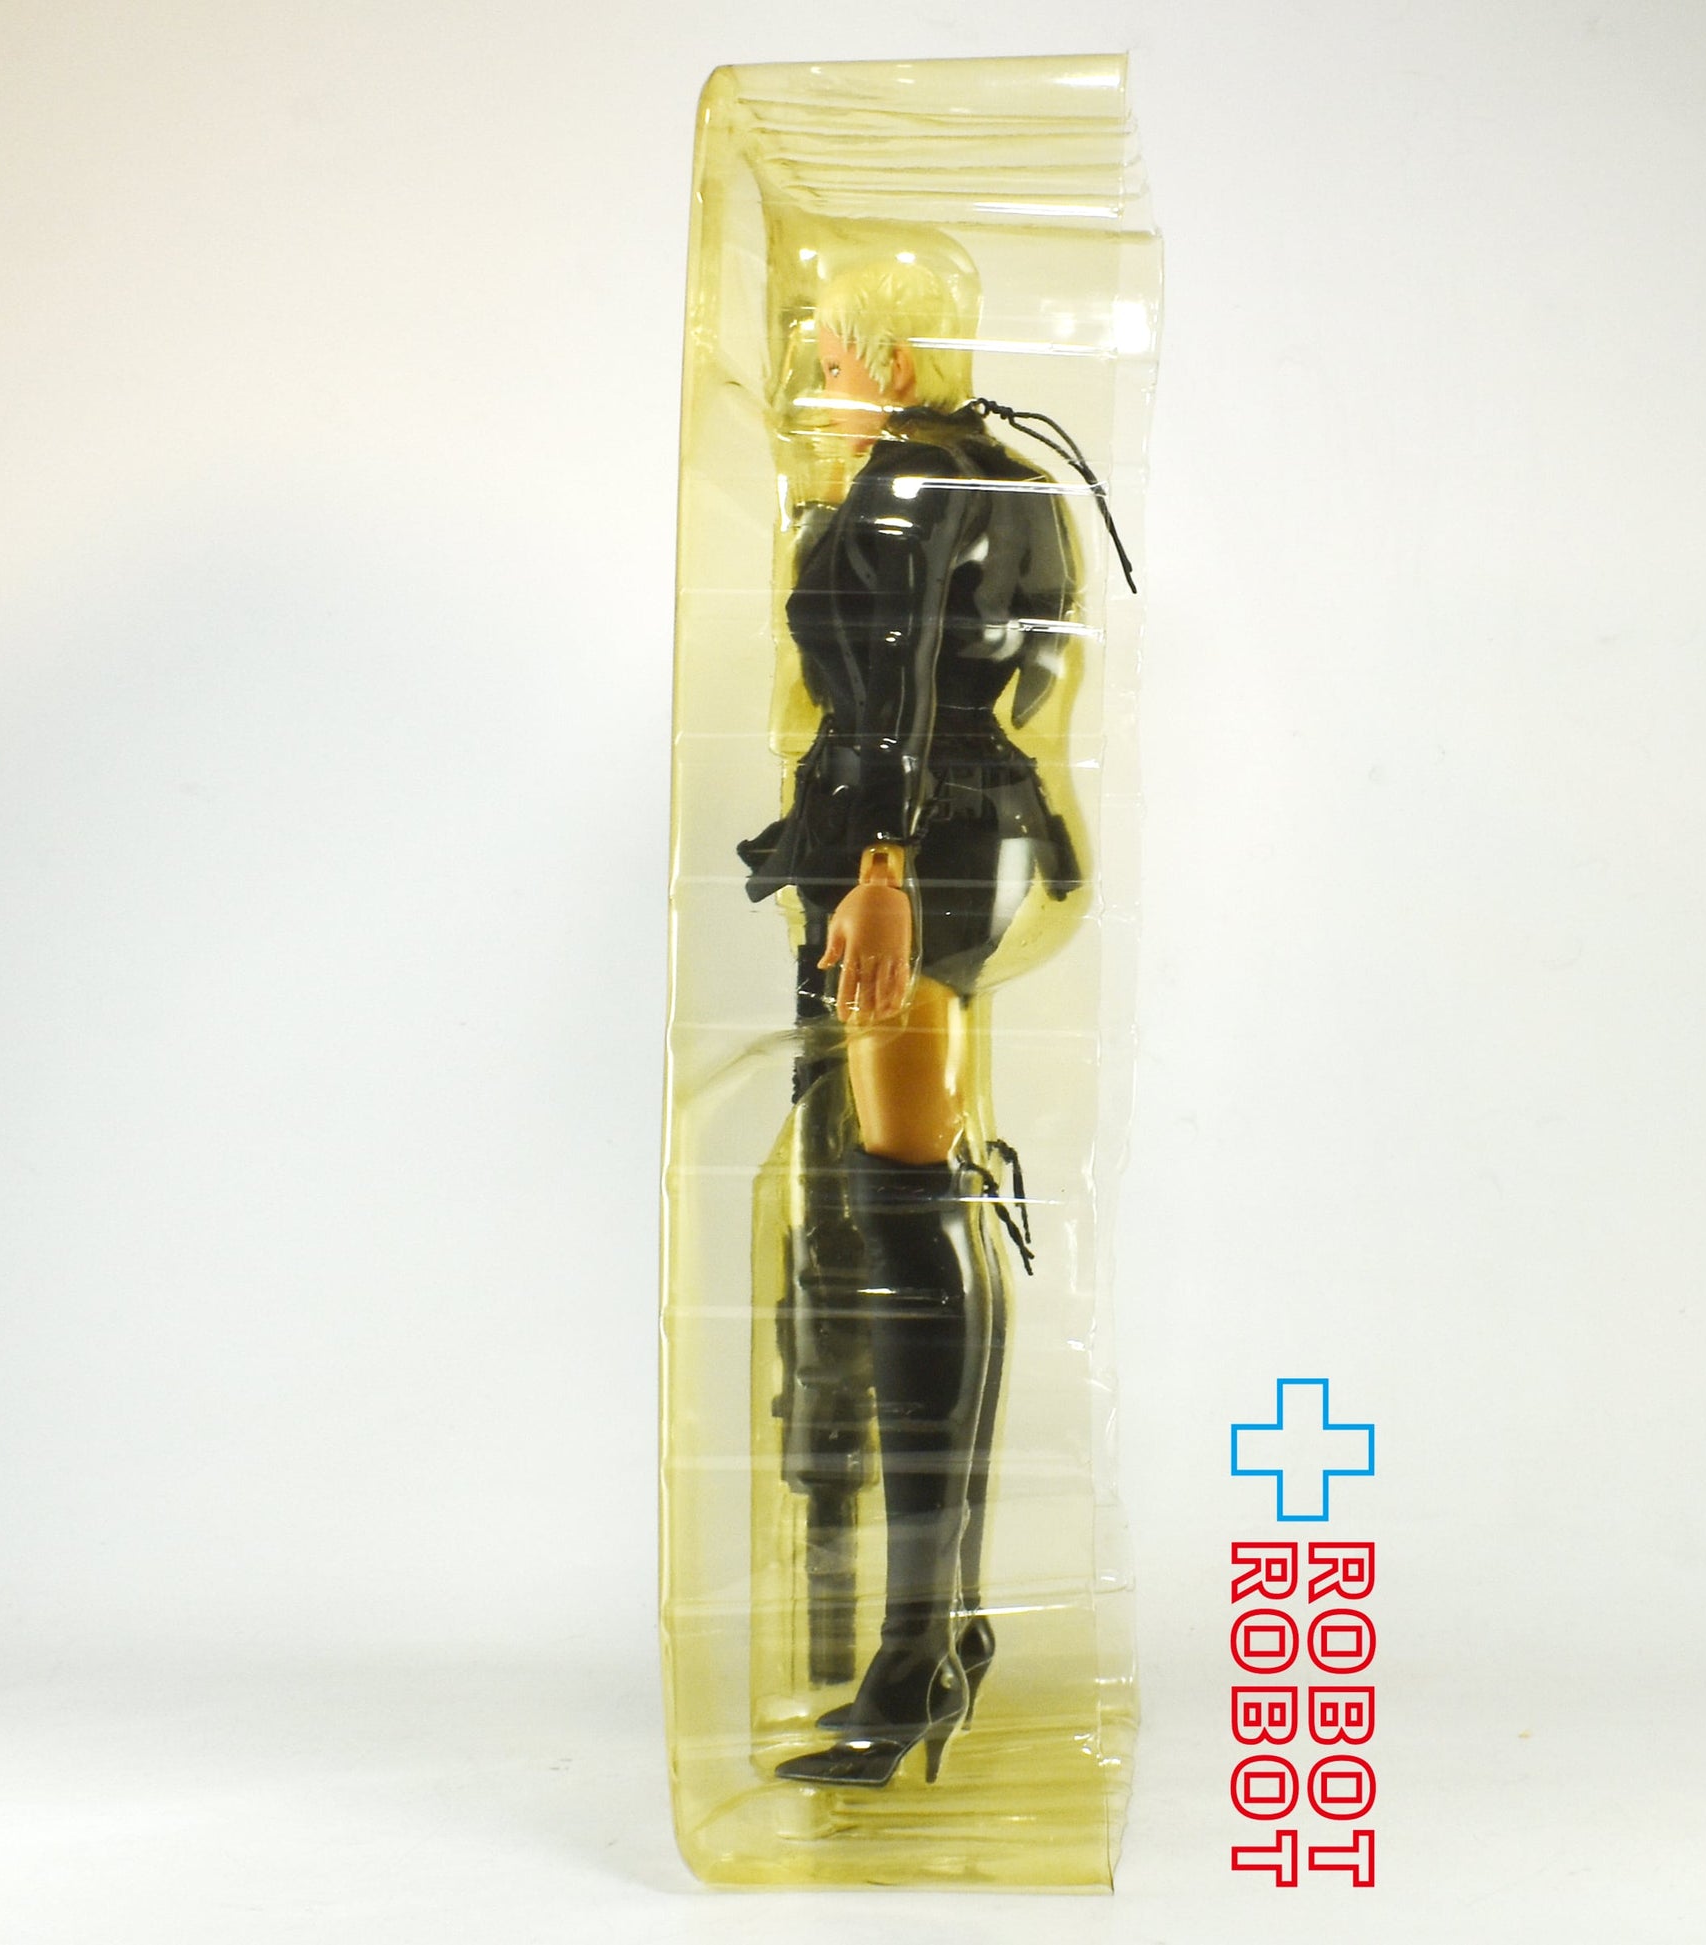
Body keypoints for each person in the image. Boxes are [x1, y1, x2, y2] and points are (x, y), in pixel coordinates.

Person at [742, 254, 1081, 1787]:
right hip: (970, 830)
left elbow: (895, 694)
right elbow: (1017, 669)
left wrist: (876, 867)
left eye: (822, 344)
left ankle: (916, 1652)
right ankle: (924, 1636)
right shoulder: (1004, 473)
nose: (805, 368)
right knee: (889, 1186)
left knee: (897, 1196)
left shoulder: (900, 484)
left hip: (915, 848)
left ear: (882, 351)